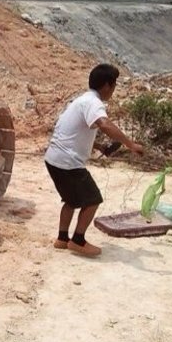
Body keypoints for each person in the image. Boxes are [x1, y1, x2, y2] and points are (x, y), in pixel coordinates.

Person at [44, 63, 144, 258]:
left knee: (71, 200)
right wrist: (131, 145)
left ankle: (62, 239)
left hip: (54, 158)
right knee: (93, 200)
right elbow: (104, 124)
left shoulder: (81, 100)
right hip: (68, 162)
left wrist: (100, 148)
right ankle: (78, 241)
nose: (113, 91)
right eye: (114, 86)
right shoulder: (93, 103)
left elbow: (75, 131)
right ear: (107, 85)